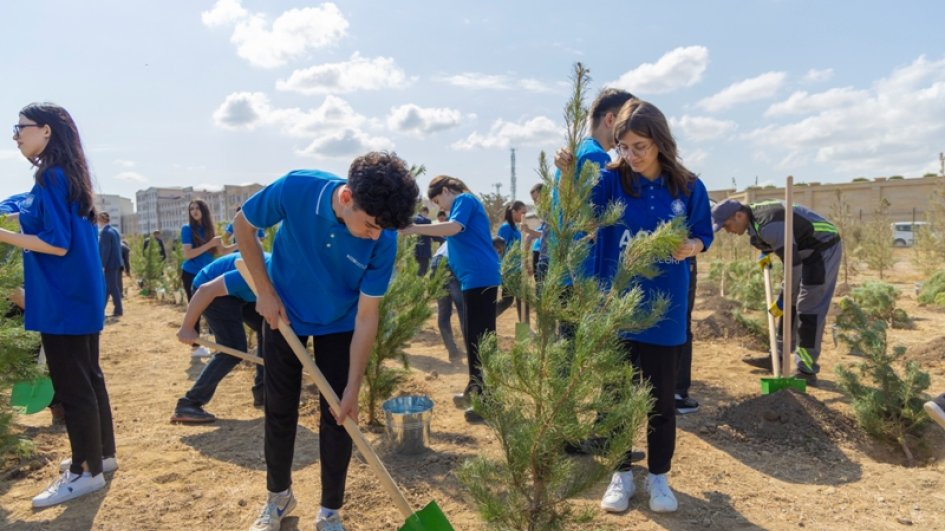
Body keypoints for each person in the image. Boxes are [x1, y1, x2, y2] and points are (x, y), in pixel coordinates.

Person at [234, 151, 417, 531]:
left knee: (339, 416)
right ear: (347, 197)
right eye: (370, 225)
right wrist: (264, 292)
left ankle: (329, 512)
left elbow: (367, 316)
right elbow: (243, 225)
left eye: (382, 229)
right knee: (279, 409)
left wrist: (353, 387)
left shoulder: (383, 239)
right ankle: (278, 498)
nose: (375, 235)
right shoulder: (297, 188)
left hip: (339, 322)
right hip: (284, 313)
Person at [594, 99, 712, 514]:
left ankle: (659, 477)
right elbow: (580, 214)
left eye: (640, 146)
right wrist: (568, 174)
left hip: (665, 310)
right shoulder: (610, 182)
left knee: (660, 401)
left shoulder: (688, 187)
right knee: (614, 399)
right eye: (623, 146)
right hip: (616, 309)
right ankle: (621, 475)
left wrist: (691, 245)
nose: (631, 155)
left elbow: (704, 235)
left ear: (660, 141)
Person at [4, 102, 117, 507]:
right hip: (80, 295)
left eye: (21, 127)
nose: (16, 136)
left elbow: (56, 243)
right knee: (90, 377)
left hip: (62, 297)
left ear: (46, 130)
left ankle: (85, 472)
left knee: (73, 386)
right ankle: (102, 456)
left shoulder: (51, 176)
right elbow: (41, 217)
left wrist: (2, 234)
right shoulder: (67, 175)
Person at [402, 176, 501, 424]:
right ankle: (475, 389)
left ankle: (487, 401)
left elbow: (453, 228)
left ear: (446, 190)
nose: (440, 208)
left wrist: (414, 228)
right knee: (472, 337)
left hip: (480, 277)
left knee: (480, 340)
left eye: (438, 201)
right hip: (473, 279)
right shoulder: (460, 206)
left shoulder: (464, 200)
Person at [711, 198, 842, 385]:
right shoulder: (754, 217)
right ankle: (777, 357)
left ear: (738, 216)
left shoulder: (768, 225)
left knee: (808, 308)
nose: (727, 231)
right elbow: (779, 234)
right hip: (802, 247)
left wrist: (782, 299)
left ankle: (806, 370)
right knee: (791, 301)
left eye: (726, 225)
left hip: (823, 247)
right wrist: (765, 250)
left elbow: (793, 268)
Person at [171, 252, 270, 423]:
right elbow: (206, 290)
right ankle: (189, 404)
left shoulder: (289, 276)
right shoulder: (261, 271)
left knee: (268, 327)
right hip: (211, 290)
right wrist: (187, 327)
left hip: (240, 294)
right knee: (233, 349)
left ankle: (264, 393)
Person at [181, 199, 231, 358]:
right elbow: (188, 254)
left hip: (208, 274)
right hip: (191, 273)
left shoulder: (210, 230)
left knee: (213, 308)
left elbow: (222, 252)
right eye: (191, 209)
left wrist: (242, 244)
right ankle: (195, 348)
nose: (194, 211)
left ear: (204, 211)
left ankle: (218, 343)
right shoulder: (187, 229)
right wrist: (209, 244)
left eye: (197, 208)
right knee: (195, 308)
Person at [431, 242, 465, 362]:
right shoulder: (478, 240)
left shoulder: (454, 237)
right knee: (463, 309)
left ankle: (452, 350)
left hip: (435, 264)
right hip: (450, 264)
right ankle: (473, 350)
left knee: (444, 311)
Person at [496, 201, 527, 319]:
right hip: (509, 270)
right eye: (522, 212)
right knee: (508, 300)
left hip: (517, 269)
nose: (524, 216)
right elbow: (498, 248)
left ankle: (524, 328)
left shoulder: (516, 229)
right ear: (514, 212)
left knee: (521, 299)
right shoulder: (505, 228)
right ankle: (485, 319)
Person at [97, 212, 124, 318]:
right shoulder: (115, 230)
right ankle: (102, 309)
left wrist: (102, 265)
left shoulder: (105, 232)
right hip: (116, 262)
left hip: (110, 264)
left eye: (98, 220)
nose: (97, 222)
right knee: (109, 287)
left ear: (102, 220)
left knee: (112, 287)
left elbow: (105, 250)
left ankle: (118, 310)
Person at [412, 206, 434, 276]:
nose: (426, 214)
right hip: (421, 251)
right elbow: (424, 221)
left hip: (419, 251)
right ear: (423, 212)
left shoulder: (415, 219)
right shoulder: (420, 219)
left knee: (418, 271)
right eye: (425, 213)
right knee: (421, 271)